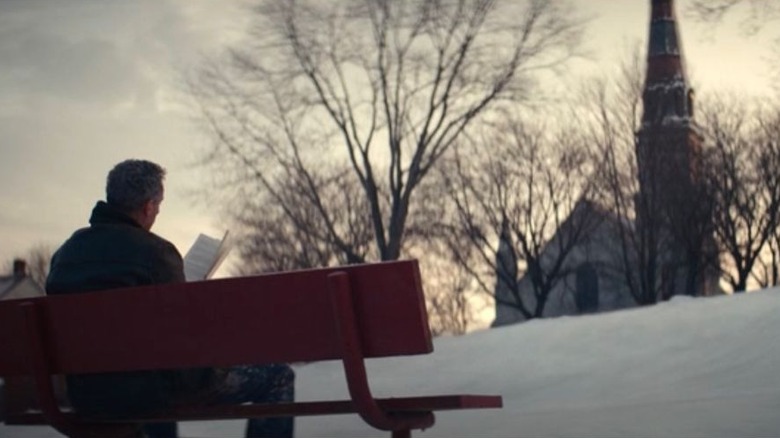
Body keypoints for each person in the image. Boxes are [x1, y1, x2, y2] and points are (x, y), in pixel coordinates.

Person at [46, 159, 294, 438]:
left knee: (150, 378)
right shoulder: (156, 254)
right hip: (153, 392)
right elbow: (184, 336)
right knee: (277, 376)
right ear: (148, 206)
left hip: (88, 394)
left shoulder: (65, 255)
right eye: (159, 206)